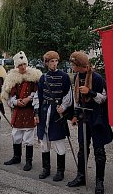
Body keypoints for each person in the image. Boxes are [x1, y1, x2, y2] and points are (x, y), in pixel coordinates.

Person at [67, 51, 113, 194]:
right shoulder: (76, 77)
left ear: (80, 65)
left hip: (97, 118)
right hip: (84, 117)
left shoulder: (97, 78)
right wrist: (75, 115)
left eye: (73, 64)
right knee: (82, 148)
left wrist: (90, 92)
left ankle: (100, 181)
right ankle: (81, 176)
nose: (71, 66)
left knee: (99, 151)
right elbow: (76, 99)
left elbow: (104, 98)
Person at [33, 51, 72, 182]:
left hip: (57, 113)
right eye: (51, 61)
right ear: (47, 63)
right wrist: (36, 113)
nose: (54, 64)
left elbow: (68, 95)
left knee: (59, 141)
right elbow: (38, 96)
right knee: (44, 142)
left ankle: (60, 171)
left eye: (56, 61)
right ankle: (46, 168)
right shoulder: (43, 78)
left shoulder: (64, 76)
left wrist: (64, 107)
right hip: (44, 112)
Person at [1, 51, 42, 171]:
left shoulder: (34, 77)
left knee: (28, 138)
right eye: (20, 65)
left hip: (29, 110)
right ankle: (16, 157)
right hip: (18, 111)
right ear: (16, 66)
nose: (22, 67)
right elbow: (9, 95)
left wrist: (28, 99)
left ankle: (29, 161)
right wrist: (15, 102)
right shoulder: (12, 79)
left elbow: (37, 92)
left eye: (24, 64)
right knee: (16, 135)